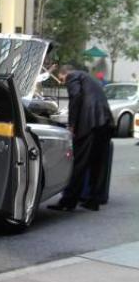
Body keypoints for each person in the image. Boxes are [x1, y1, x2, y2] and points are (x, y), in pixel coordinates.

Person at [48, 65, 114, 212]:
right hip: (105, 122)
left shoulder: (72, 76)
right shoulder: (89, 78)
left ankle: (68, 201)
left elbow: (75, 96)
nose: (62, 83)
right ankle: (93, 200)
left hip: (90, 122)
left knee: (79, 162)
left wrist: (71, 125)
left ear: (65, 73)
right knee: (98, 163)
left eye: (61, 79)